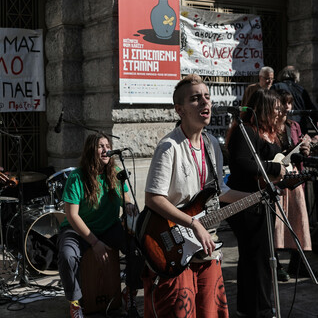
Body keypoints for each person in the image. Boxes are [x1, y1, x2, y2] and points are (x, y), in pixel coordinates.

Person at [144, 74, 232, 317]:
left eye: (207, 97)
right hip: (174, 243)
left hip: (206, 244)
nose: (205, 103)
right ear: (180, 110)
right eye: (196, 99)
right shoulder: (169, 146)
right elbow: (153, 198)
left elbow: (219, 192)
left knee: (210, 310)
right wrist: (193, 223)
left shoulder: (212, 144)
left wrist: (258, 195)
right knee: (181, 311)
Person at [57, 132, 143, 318]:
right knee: (67, 256)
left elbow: (125, 197)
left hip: (109, 227)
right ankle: (75, 302)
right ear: (91, 150)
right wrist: (94, 242)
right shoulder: (77, 177)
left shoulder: (115, 172)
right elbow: (71, 215)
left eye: (107, 145)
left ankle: (130, 293)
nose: (106, 150)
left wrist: (128, 205)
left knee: (139, 248)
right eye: (100, 146)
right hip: (77, 230)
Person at [225, 88, 287, 318]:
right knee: (255, 256)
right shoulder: (245, 131)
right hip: (245, 201)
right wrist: (274, 169)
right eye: (276, 107)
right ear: (264, 108)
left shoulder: (265, 132)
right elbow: (241, 163)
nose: (280, 111)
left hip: (263, 198)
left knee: (261, 256)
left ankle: (256, 306)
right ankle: (256, 309)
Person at [274, 90, 313, 279]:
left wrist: (306, 149)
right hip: (276, 179)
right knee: (276, 224)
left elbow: (300, 154)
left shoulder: (294, 126)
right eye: (283, 103)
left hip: (294, 178)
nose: (287, 107)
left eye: (289, 103)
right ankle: (275, 263)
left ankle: (297, 264)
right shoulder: (269, 127)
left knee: (298, 219)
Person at [271, 65, 317, 132]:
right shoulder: (301, 89)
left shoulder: (276, 86)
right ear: (296, 75)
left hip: (284, 125)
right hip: (300, 125)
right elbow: (310, 108)